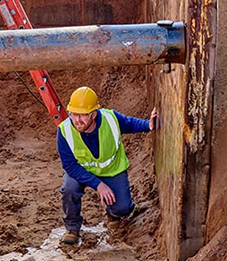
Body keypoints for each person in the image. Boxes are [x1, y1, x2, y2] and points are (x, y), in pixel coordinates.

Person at [56, 86, 156, 245]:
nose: (77, 120)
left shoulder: (111, 119)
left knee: (123, 208)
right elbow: (69, 166)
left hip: (111, 170)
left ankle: (113, 214)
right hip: (80, 171)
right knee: (69, 189)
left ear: (94, 114)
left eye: (82, 115)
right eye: (74, 114)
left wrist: (148, 125)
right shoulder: (64, 130)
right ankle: (72, 228)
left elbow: (129, 124)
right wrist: (98, 185)